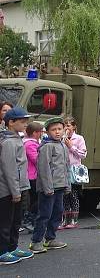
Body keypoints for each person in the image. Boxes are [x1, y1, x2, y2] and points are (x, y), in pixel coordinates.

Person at [30, 116, 69, 253]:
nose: (57, 132)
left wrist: (67, 185)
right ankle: (36, 241)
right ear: (47, 132)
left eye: (59, 129)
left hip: (60, 186)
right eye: (54, 129)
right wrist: (48, 187)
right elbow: (44, 168)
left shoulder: (63, 146)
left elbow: (66, 167)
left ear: (64, 130)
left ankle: (50, 238)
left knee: (57, 213)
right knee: (44, 214)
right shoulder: (46, 147)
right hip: (48, 188)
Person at [0, 108, 35, 264]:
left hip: (18, 188)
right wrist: (15, 191)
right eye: (22, 121)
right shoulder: (8, 142)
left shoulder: (16, 138)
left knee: (16, 220)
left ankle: (12, 248)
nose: (25, 124)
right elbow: (10, 169)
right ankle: (2, 252)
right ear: (11, 122)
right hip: (7, 190)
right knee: (5, 222)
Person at [61, 117, 86, 229]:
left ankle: (74, 220)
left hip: (74, 170)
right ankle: (65, 220)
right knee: (64, 195)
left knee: (73, 194)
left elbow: (83, 155)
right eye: (65, 125)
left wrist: (71, 147)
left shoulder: (79, 138)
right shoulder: (62, 138)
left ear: (74, 127)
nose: (67, 127)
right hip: (63, 169)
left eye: (69, 125)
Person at [21, 122, 43, 233]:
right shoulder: (30, 144)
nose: (41, 134)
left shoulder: (30, 143)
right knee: (37, 199)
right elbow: (36, 160)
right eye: (40, 132)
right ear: (35, 133)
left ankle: (32, 221)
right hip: (32, 176)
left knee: (35, 199)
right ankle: (27, 219)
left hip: (32, 175)